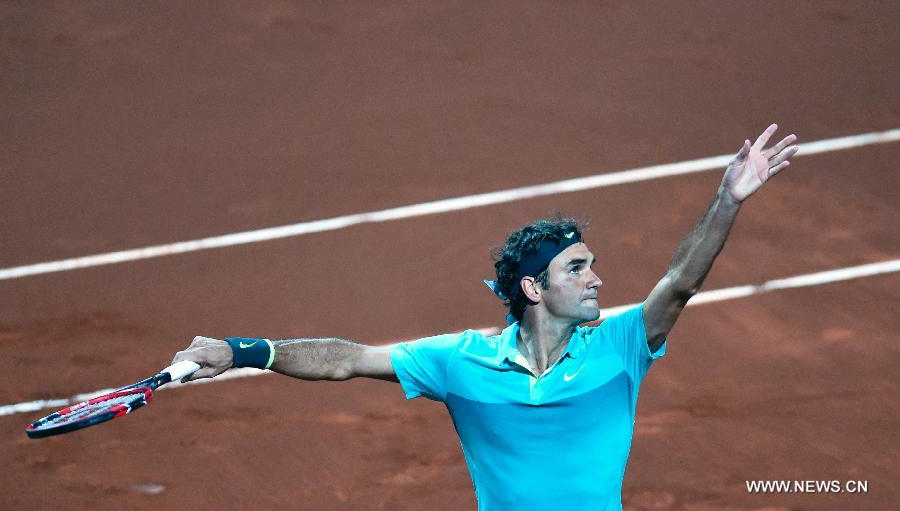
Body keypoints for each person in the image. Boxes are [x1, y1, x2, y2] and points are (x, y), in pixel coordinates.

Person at [172, 124, 799, 510]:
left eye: (592, 265)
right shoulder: (460, 360)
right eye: (576, 268)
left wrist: (727, 198)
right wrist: (243, 351)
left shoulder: (623, 343)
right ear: (533, 287)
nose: (596, 279)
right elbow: (347, 359)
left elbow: (681, 281)